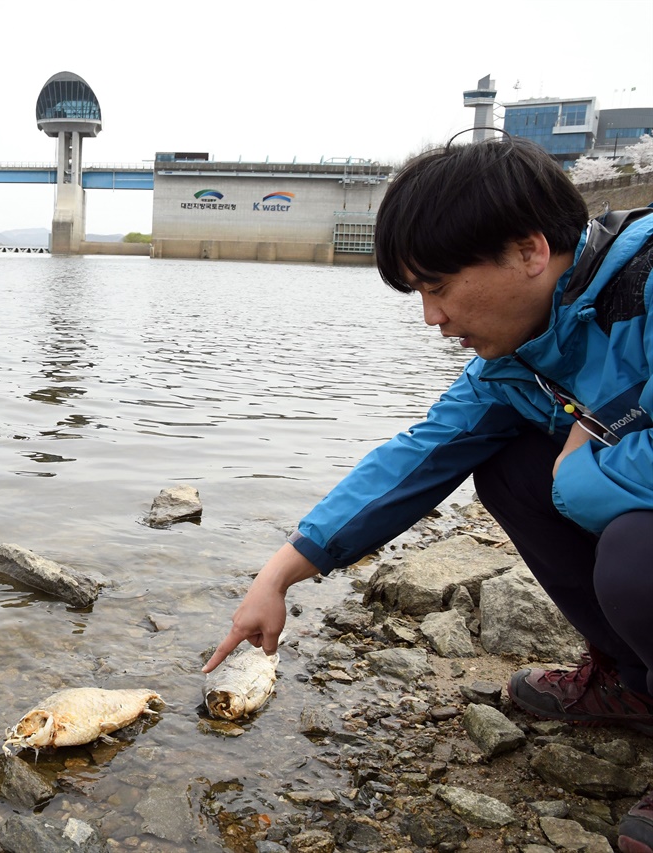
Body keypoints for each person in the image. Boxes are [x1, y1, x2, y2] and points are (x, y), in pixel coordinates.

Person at [201, 136, 652, 853]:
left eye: (437, 286)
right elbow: (416, 458)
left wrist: (583, 473)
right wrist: (279, 572)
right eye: (419, 294)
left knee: (633, 549)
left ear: (530, 252)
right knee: (505, 466)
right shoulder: (526, 354)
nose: (431, 318)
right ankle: (638, 682)